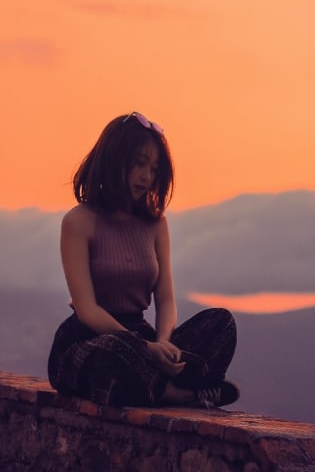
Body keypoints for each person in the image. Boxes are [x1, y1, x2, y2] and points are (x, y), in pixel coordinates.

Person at [47, 111, 239, 408]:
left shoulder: (156, 224)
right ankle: (181, 394)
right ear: (114, 160)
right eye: (139, 164)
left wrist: (162, 343)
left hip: (144, 338)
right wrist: (145, 349)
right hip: (92, 341)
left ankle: (158, 383)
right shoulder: (78, 222)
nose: (147, 177)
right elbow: (85, 309)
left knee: (222, 324)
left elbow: (165, 300)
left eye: (153, 168)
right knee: (116, 351)